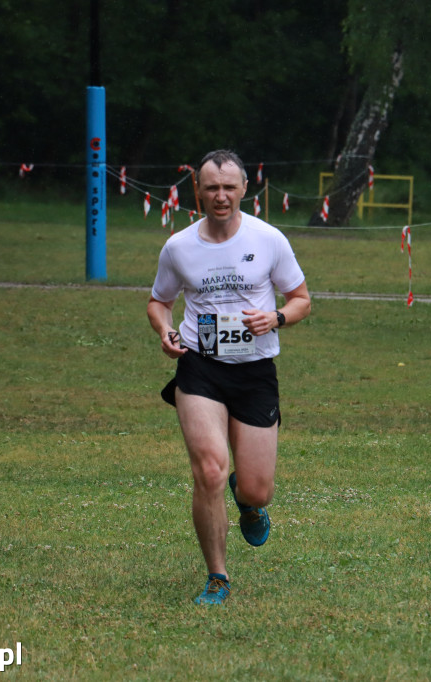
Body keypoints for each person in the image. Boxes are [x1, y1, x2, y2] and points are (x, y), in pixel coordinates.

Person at [147, 149, 311, 606]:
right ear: (197, 191)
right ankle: (217, 576)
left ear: (244, 190)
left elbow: (301, 298)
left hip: (255, 371)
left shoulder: (269, 238)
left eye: (229, 187)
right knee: (210, 471)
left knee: (258, 488)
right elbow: (159, 302)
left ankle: (248, 499)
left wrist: (275, 317)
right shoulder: (179, 247)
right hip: (200, 368)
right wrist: (165, 330)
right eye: (212, 188)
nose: (221, 196)